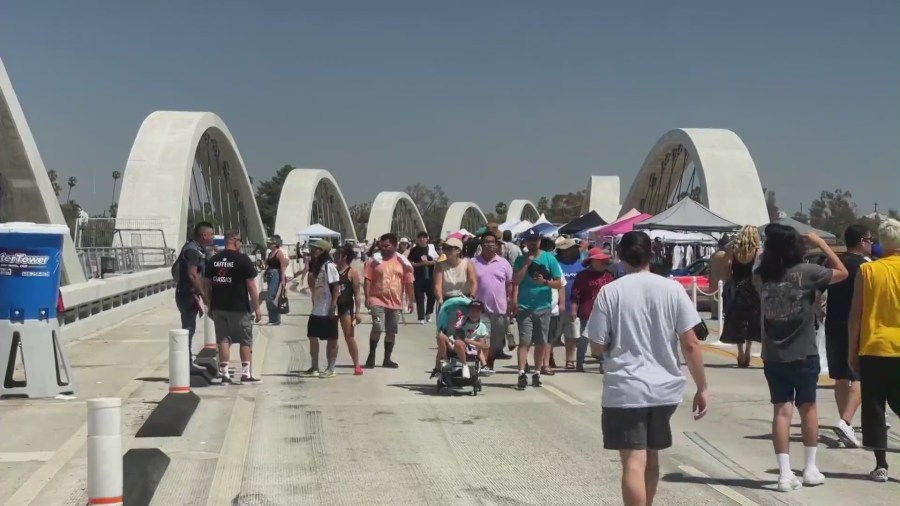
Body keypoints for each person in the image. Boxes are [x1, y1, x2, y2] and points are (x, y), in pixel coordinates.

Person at [585, 231, 708, 506]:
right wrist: (702, 387)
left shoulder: (610, 292)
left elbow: (596, 345)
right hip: (664, 390)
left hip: (626, 389)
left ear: (620, 256)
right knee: (652, 457)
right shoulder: (673, 288)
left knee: (632, 462)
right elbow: (690, 344)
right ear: (651, 255)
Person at [755, 225, 847, 492]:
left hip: (773, 354)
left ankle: (784, 474)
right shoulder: (808, 273)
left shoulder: (761, 277)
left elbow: (759, 264)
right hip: (803, 351)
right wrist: (821, 243)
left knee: (781, 411)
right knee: (808, 408)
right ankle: (810, 468)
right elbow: (842, 272)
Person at [848, 218, 900, 482]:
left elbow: (856, 315)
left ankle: (881, 465)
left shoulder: (868, 271)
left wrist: (851, 351)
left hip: (874, 348)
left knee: (875, 407)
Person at [824, 224, 872, 448]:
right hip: (857, 325)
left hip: (833, 323)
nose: (871, 244)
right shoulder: (866, 266)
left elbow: (818, 292)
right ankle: (846, 421)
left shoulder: (834, 262)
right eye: (870, 240)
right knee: (861, 376)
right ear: (862, 241)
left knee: (840, 377)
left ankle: (846, 425)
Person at [204, 230, 262, 384]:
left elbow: (207, 286)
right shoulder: (243, 259)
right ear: (235, 240)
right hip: (239, 307)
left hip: (219, 307)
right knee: (245, 340)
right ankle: (246, 374)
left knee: (223, 339)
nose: (241, 243)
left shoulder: (214, 260)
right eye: (240, 240)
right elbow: (251, 286)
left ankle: (224, 374)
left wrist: (209, 306)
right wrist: (256, 307)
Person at [512, 229, 563, 390]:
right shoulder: (520, 259)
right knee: (524, 341)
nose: (532, 243)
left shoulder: (550, 259)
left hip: (543, 307)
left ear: (540, 240)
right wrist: (526, 264)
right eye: (529, 240)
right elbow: (516, 281)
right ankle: (521, 373)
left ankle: (536, 372)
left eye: (535, 240)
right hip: (524, 307)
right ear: (525, 242)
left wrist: (545, 282)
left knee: (541, 342)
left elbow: (558, 283)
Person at [363, 233, 414, 368]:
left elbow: (409, 283)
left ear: (395, 245)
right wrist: (367, 297)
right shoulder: (374, 261)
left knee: (391, 331)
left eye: (387, 246)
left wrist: (411, 300)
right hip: (377, 301)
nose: (384, 248)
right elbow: (368, 280)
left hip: (395, 303)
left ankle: (387, 359)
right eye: (382, 246)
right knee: (378, 327)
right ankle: (371, 355)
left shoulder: (403, 262)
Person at [720, 225, 762, 367]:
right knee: (751, 320)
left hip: (737, 288)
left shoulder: (734, 250)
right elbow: (757, 271)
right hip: (752, 289)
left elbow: (726, 266)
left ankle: (740, 353)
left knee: (737, 320)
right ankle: (748, 351)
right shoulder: (757, 251)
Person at [472, 231, 514, 372]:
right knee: (483, 339)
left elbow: (510, 284)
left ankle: (490, 361)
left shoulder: (504, 263)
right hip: (479, 308)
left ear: (496, 245)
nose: (489, 245)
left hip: (499, 309)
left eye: (492, 242)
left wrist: (511, 301)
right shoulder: (473, 262)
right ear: (481, 244)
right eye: (486, 242)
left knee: (496, 341)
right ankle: (482, 363)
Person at [174, 221, 214, 370]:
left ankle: (187, 362)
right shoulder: (192, 251)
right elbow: (192, 275)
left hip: (186, 293)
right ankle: (186, 364)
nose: (213, 237)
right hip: (187, 294)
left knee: (189, 328)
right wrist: (203, 295)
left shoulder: (196, 248)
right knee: (188, 329)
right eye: (211, 234)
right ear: (204, 235)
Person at [570, 247, 613, 372]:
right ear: (592, 261)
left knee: (605, 339)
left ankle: (603, 364)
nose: (602, 263)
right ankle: (579, 362)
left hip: (606, 312)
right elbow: (575, 294)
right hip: (587, 310)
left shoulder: (609, 275)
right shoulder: (582, 276)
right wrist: (573, 309)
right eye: (599, 261)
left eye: (603, 261)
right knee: (584, 339)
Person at [302, 240, 341, 378]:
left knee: (332, 339)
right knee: (312, 336)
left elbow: (336, 286)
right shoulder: (317, 266)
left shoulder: (329, 266)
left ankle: (331, 368)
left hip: (328, 308)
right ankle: (314, 367)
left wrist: (333, 305)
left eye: (317, 249)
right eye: (313, 249)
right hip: (317, 308)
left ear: (323, 251)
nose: (314, 251)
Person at [435, 300, 491, 379]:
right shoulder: (461, 320)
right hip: (455, 344)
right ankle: (446, 360)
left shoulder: (482, 327)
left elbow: (482, 345)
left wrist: (466, 340)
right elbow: (453, 331)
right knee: (440, 336)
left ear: (480, 312)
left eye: (477, 311)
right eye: (472, 311)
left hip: (469, 348)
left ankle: (465, 365)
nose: (474, 313)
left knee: (459, 342)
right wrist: (455, 327)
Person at [554, 237, 584, 371]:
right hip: (556, 306)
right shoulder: (554, 263)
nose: (575, 251)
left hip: (574, 306)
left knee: (571, 336)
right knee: (552, 336)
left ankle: (570, 359)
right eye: (572, 248)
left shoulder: (581, 264)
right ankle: (548, 356)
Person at [335, 245, 363, 376]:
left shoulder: (352, 272)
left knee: (349, 336)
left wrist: (358, 312)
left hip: (346, 307)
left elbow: (357, 293)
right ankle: (330, 365)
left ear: (344, 256)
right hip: (333, 307)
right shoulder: (332, 270)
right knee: (332, 338)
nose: (334, 257)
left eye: (337, 255)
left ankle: (357, 365)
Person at [408, 231, 437, 324]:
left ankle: (428, 312)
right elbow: (410, 263)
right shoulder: (414, 250)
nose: (422, 239)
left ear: (427, 239)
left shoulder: (431, 249)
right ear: (417, 239)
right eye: (420, 238)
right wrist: (420, 264)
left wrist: (428, 263)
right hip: (418, 277)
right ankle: (421, 317)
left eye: (424, 238)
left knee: (432, 296)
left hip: (430, 276)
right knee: (419, 297)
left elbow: (439, 260)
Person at [263, 236, 288, 325]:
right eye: (269, 243)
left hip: (276, 275)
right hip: (270, 275)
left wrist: (283, 280)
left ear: (275, 244)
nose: (269, 244)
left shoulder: (279, 253)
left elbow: (283, 266)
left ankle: (275, 319)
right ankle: (272, 318)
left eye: (271, 243)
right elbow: (267, 264)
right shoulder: (270, 253)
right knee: (269, 297)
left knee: (271, 297)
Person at [708, 237, 732, 321]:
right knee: (724, 300)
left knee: (714, 301)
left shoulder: (713, 256)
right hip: (725, 282)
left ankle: (714, 314)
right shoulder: (727, 256)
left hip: (713, 282)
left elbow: (709, 270)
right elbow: (729, 269)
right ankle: (722, 314)